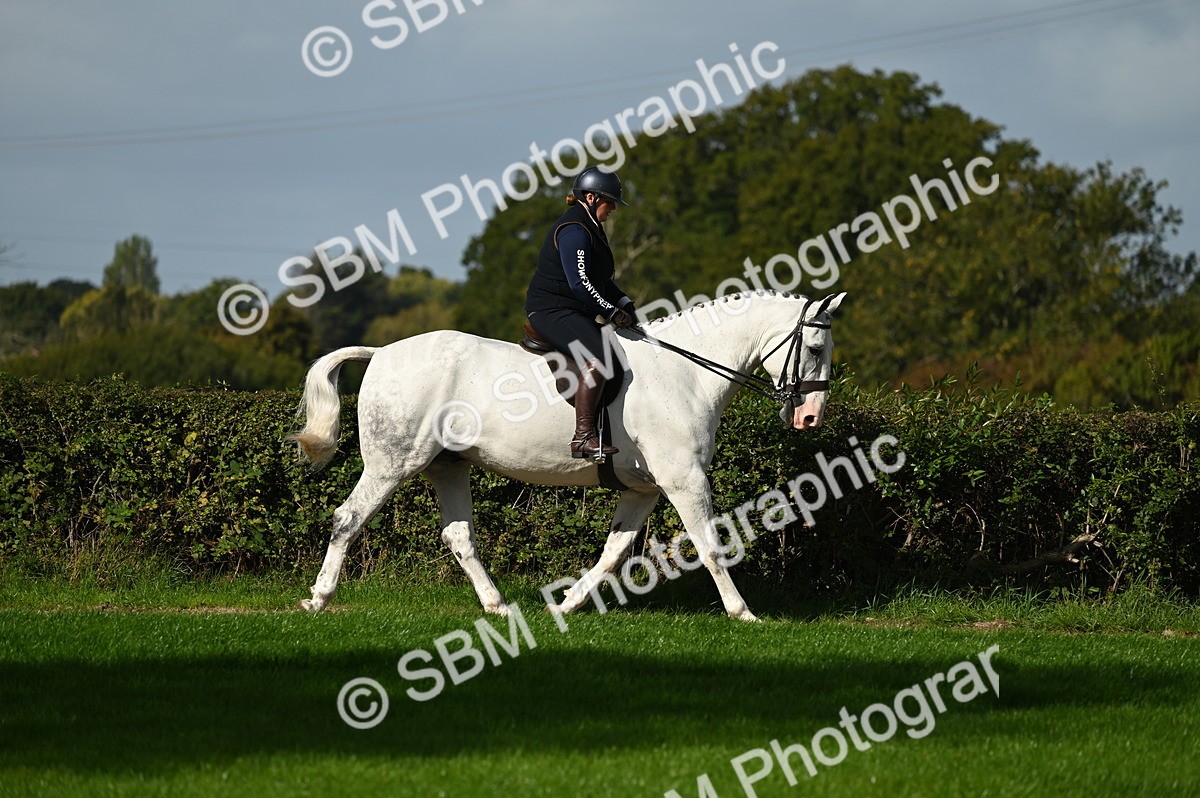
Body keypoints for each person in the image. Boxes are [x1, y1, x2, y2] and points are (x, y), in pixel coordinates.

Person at [525, 166, 638, 459]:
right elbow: (580, 283)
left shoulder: (591, 227)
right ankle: (583, 437)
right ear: (590, 197)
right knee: (599, 357)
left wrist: (624, 302)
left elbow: (600, 280)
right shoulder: (574, 230)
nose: (613, 208)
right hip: (552, 310)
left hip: (573, 309)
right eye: (609, 201)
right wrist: (610, 311)